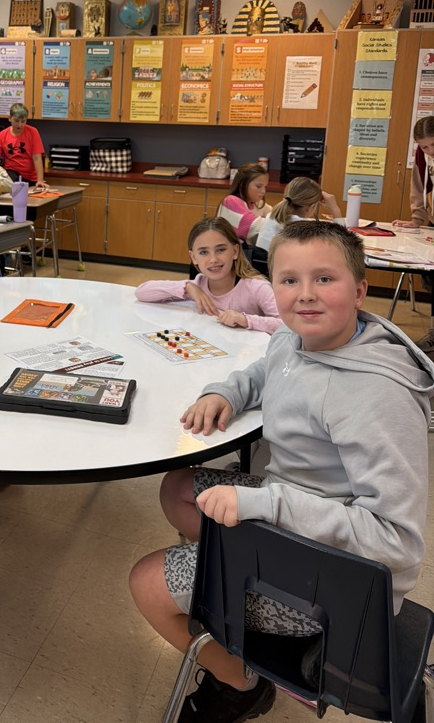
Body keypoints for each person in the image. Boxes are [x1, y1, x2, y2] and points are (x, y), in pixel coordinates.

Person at [129, 221, 433, 721]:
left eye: (324, 280)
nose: (305, 296)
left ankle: (239, 683)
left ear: (360, 290)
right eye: (289, 280)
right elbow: (265, 369)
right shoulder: (294, 340)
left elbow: (395, 541)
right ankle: (228, 587)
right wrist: (224, 391)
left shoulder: (377, 397)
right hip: (293, 509)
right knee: (180, 489)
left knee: (146, 582)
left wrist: (264, 505)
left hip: (340, 580)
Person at [135, 218, 281, 334]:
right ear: (193, 257)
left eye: (221, 249)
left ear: (235, 251)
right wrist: (187, 287)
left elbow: (287, 325)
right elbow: (142, 292)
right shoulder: (197, 286)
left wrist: (246, 320)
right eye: (204, 252)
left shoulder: (256, 287)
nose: (213, 259)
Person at [255, 176, 344, 251]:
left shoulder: (271, 216)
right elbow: (343, 245)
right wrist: (335, 209)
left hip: (262, 269)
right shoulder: (307, 229)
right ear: (312, 207)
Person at [0, 103, 46, 188]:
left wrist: (40, 181)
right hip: (11, 175)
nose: (20, 125)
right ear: (9, 118)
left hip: (30, 177)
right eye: (16, 121)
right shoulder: (3, 135)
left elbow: (37, 158)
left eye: (23, 121)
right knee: (10, 178)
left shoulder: (33, 132)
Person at [216, 162, 272, 245]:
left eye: (265, 187)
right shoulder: (231, 201)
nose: (263, 191)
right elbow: (252, 226)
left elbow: (275, 216)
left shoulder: (258, 204)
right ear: (242, 185)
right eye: (259, 186)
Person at [394, 116, 434, 228]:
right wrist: (417, 219)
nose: (431, 151)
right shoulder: (421, 156)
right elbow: (418, 188)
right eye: (424, 147)